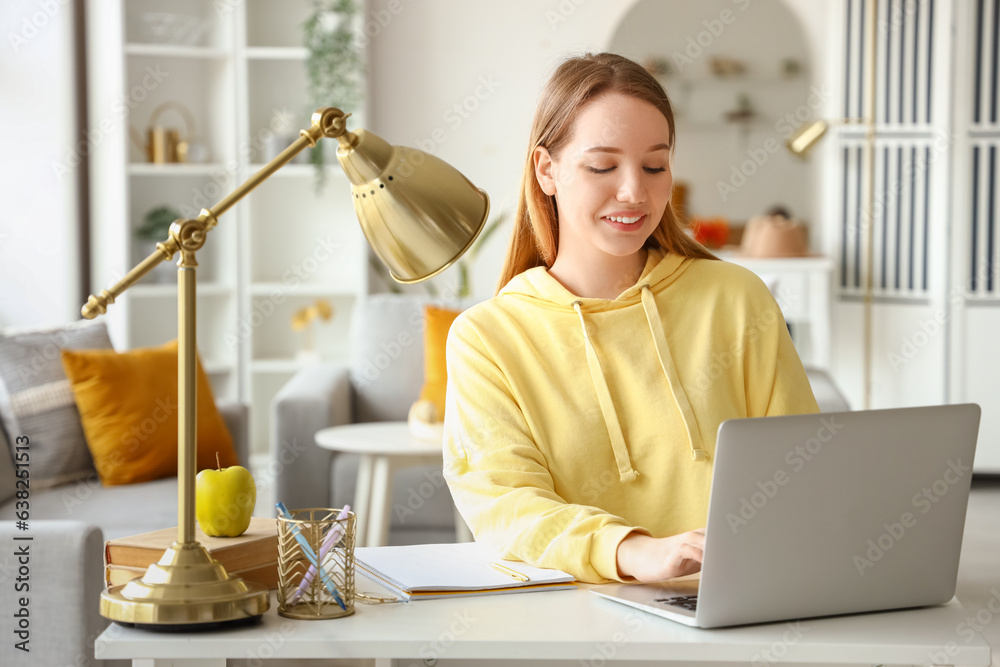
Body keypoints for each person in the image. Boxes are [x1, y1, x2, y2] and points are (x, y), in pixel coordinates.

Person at [442, 53, 818, 585]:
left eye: (654, 165)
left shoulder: (737, 298)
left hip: (745, 602)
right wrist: (631, 551)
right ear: (546, 170)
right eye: (602, 166)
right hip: (573, 617)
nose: (634, 193)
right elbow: (505, 505)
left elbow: (802, 465)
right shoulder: (488, 338)